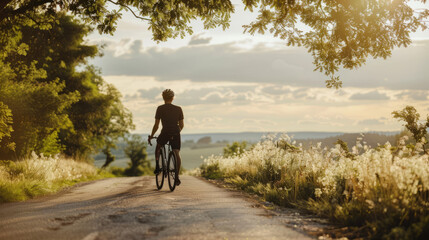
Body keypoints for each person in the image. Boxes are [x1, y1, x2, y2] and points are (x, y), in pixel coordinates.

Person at [148, 89, 184, 185]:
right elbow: (182, 125)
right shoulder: (178, 109)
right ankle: (176, 176)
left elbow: (156, 125)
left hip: (165, 132)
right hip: (176, 132)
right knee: (176, 152)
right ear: (173, 98)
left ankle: (157, 167)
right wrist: (176, 132)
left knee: (158, 146)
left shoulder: (160, 108)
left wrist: (151, 136)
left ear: (163, 98)